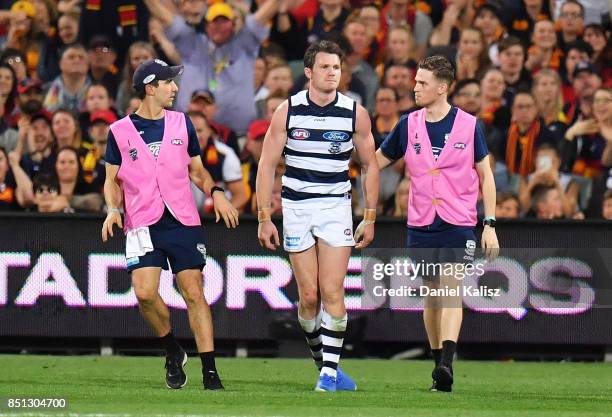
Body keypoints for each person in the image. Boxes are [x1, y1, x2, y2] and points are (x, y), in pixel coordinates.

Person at [101, 59, 239, 391]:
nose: (175, 88)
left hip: (181, 220)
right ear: (150, 87)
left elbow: (197, 170)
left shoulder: (182, 123)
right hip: (141, 222)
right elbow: (111, 180)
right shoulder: (119, 131)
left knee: (194, 291)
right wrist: (111, 208)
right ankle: (172, 350)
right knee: (145, 294)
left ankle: (210, 373)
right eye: (169, 83)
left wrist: (216, 192)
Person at [256, 40, 380, 392]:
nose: (332, 73)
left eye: (337, 68)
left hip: (335, 206)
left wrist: (369, 216)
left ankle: (328, 373)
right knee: (308, 296)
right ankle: (326, 366)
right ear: (308, 72)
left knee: (332, 289)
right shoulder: (287, 111)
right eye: (325, 67)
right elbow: (266, 165)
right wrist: (265, 215)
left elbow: (370, 165)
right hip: (295, 207)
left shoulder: (355, 113)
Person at [375, 55, 499, 393]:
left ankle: (447, 363)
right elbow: (377, 163)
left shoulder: (469, 125)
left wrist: (488, 223)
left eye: (422, 83)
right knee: (431, 295)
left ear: (442, 88)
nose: (414, 88)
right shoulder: (408, 124)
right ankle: (437, 366)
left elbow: (485, 175)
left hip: (458, 221)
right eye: (416, 82)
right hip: (420, 221)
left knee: (450, 288)